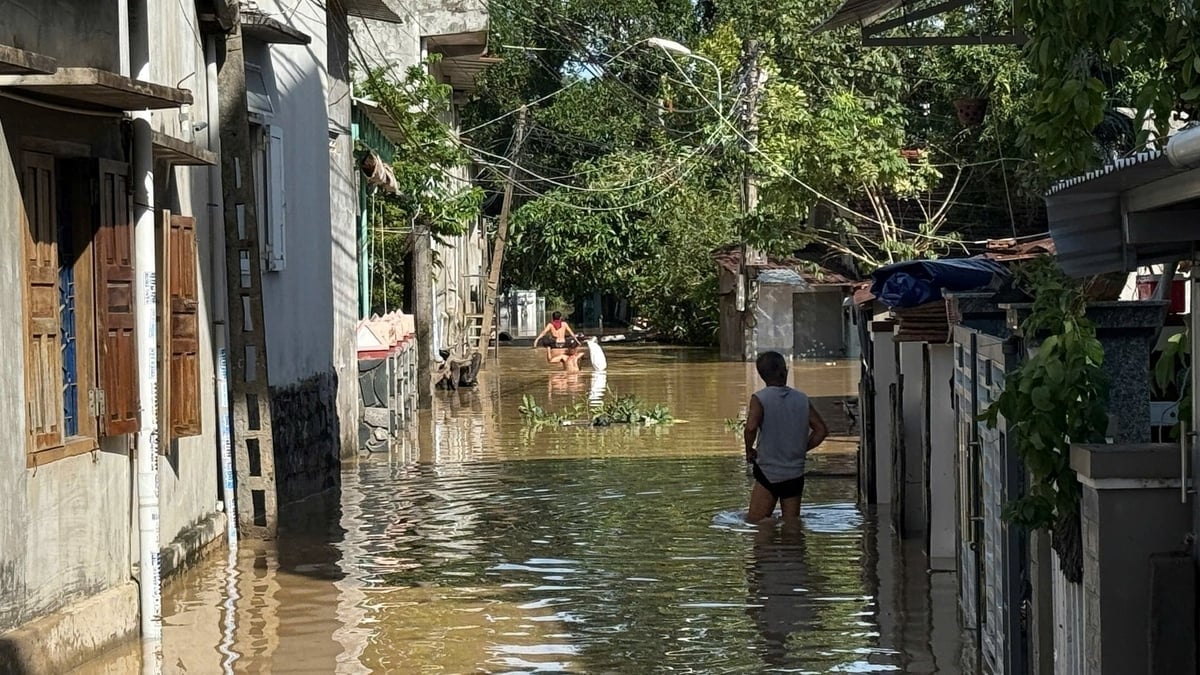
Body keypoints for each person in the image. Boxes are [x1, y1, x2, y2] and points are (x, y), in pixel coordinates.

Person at [743, 351, 829, 523]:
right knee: (792, 525)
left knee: (756, 522)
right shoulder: (801, 398)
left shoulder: (760, 398)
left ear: (762, 375)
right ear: (785, 371)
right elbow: (821, 430)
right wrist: (802, 448)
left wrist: (749, 450)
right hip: (795, 472)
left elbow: (751, 427)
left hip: (768, 472)